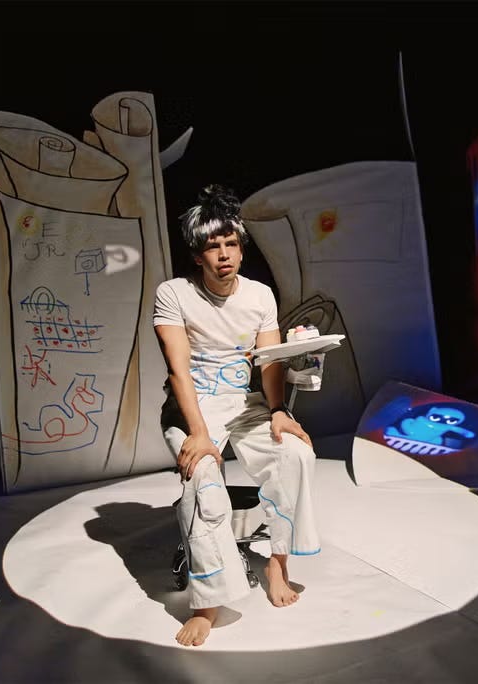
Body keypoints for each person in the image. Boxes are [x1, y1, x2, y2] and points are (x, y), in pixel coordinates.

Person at [153, 184, 320, 647]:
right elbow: (178, 370)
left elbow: (269, 362)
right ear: (197, 255)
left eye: (231, 243)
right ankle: (207, 604)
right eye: (213, 246)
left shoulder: (260, 296)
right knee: (204, 479)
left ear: (242, 249)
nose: (224, 254)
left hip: (243, 404)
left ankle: (277, 565)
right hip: (193, 408)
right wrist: (199, 434)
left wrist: (279, 412)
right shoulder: (174, 293)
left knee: (295, 455)